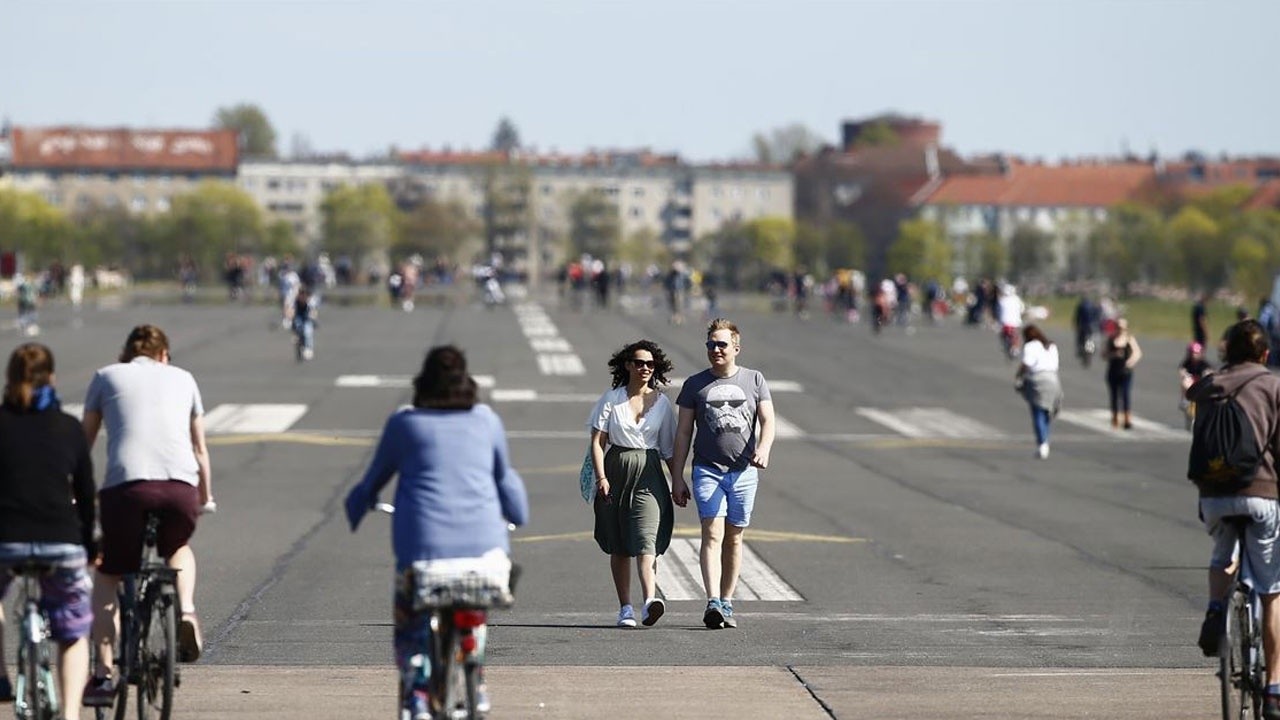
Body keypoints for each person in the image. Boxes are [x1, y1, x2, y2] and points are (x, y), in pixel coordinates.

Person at [345, 345, 529, 720]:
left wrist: (355, 508)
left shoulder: (405, 424)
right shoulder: (487, 421)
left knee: (412, 626)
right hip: (485, 554)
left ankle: (416, 697)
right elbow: (507, 483)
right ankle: (475, 678)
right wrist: (517, 514)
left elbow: (372, 480)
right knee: (472, 606)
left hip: (423, 553)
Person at [82, 325, 214, 705]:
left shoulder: (106, 376)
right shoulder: (184, 378)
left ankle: (104, 675)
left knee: (108, 572)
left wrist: (77, 495)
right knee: (178, 546)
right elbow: (199, 448)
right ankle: (186, 611)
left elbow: (82, 446)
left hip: (126, 488)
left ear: (128, 353)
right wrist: (205, 496)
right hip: (179, 486)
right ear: (163, 355)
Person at [1188, 320, 1280, 718]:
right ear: (1265, 354)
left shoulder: (1209, 387)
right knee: (1271, 588)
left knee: (1222, 551)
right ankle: (1275, 687)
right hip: (1261, 494)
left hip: (1215, 496)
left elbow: (1194, 405)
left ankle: (1214, 609)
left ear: (1227, 352)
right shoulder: (1273, 386)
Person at [0, 343, 95, 716]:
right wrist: (89, 543)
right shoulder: (68, 427)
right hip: (62, 540)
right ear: (52, 378)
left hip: (5, 539)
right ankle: (70, 713)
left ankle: (2, 678)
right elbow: (86, 494)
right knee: (73, 632)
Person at [672, 319, 775, 630]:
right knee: (712, 533)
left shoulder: (754, 380)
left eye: (721, 345)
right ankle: (713, 601)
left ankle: (727, 600)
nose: (715, 349)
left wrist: (765, 448)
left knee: (734, 537)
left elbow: (768, 421)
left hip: (744, 472)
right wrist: (677, 476)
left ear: (736, 348)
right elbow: (683, 432)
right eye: (711, 344)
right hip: (707, 470)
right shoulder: (695, 385)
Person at [587, 340, 685, 628]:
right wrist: (601, 477)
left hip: (650, 475)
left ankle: (650, 601)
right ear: (628, 365)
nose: (645, 368)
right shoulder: (611, 398)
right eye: (640, 363)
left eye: (650, 364)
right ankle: (625, 608)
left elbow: (668, 449)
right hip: (616, 470)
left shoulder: (663, 404)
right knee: (619, 545)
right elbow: (597, 442)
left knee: (646, 539)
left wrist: (677, 480)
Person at [1015, 325, 1063, 460]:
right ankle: (1045, 440)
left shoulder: (1030, 346)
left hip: (1038, 380)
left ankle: (1042, 443)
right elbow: (1056, 365)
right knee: (1047, 412)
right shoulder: (1051, 346)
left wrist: (1018, 376)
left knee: (1038, 413)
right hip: (1053, 379)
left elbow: (1027, 364)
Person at [1102, 317, 1143, 429]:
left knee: (1125, 395)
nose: (1120, 329)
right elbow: (1104, 354)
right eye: (1118, 327)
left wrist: (1130, 362)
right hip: (1113, 371)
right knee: (1114, 395)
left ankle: (1127, 418)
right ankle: (1115, 417)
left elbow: (1137, 353)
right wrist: (1113, 355)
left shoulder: (1129, 339)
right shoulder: (1111, 339)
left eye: (1123, 328)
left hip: (1125, 372)